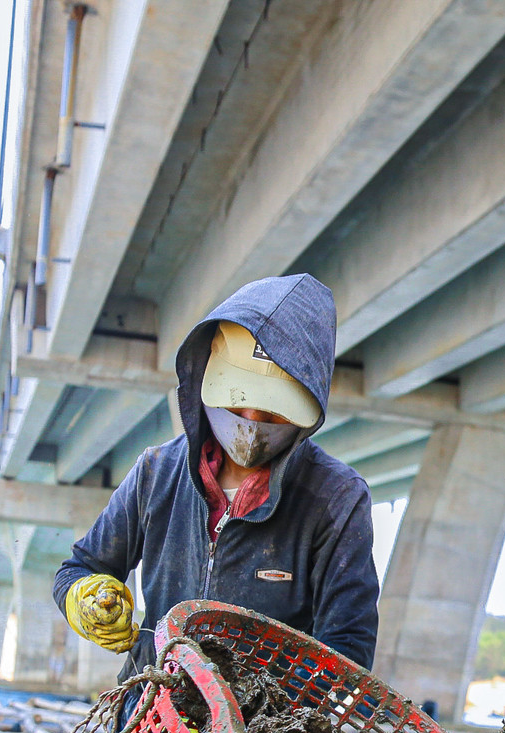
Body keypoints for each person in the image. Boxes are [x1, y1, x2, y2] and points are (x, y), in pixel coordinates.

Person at [54, 274, 381, 704]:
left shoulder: (337, 499)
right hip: (150, 717)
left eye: (271, 412)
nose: (249, 422)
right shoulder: (156, 473)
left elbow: (347, 646)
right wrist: (84, 595)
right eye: (236, 400)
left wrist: (264, 713)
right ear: (209, 382)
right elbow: (78, 567)